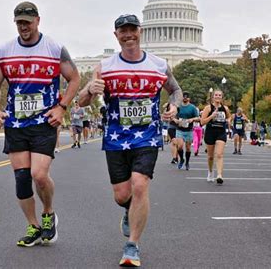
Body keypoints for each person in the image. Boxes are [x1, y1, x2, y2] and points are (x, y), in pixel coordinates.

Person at [78, 14, 182, 267]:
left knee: (139, 185)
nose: (128, 35)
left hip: (147, 135)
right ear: (116, 35)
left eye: (132, 30)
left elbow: (176, 90)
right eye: (122, 31)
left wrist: (174, 106)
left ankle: (132, 245)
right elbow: (82, 102)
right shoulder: (105, 66)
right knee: (121, 194)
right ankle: (128, 209)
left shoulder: (158, 65)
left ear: (140, 31)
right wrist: (89, 90)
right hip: (116, 136)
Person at [0, 1, 80, 247]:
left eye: (27, 22)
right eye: (19, 23)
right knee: (21, 178)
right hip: (16, 124)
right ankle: (33, 226)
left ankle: (48, 213)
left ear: (38, 20)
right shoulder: (5, 51)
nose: (23, 27)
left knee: (39, 175)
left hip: (44, 122)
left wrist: (61, 107)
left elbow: (74, 78)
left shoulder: (54, 48)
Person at [201, 90, 231, 184]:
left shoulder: (225, 108)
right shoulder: (208, 108)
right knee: (210, 157)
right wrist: (211, 116)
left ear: (222, 97)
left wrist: (228, 120)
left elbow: (229, 116)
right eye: (216, 95)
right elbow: (202, 122)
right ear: (213, 97)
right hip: (210, 133)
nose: (218, 96)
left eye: (220, 95)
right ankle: (210, 172)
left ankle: (219, 175)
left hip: (221, 133)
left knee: (219, 154)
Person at [174, 92, 200, 170]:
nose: (185, 98)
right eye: (184, 97)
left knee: (188, 148)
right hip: (180, 129)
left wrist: (192, 119)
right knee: (180, 146)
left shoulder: (192, 108)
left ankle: (187, 162)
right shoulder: (178, 107)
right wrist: (176, 120)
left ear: (189, 98)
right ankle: (182, 159)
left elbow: (198, 118)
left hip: (189, 130)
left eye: (187, 97)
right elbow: (173, 117)